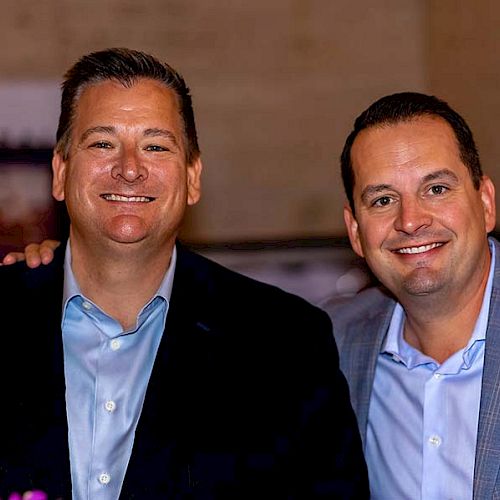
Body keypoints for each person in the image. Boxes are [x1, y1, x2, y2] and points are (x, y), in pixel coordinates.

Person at [0, 48, 368, 499]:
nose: (130, 168)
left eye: (156, 146)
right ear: (60, 172)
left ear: (193, 177)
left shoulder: (285, 342)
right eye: (102, 143)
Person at [319, 92, 499, 499]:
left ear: (485, 203)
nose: (411, 221)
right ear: (355, 232)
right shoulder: (331, 347)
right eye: (383, 200)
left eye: (436, 189)